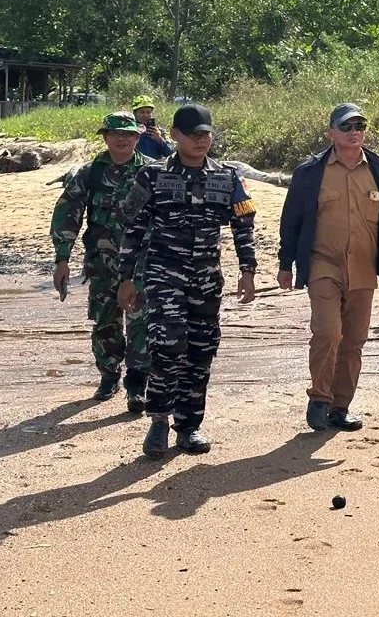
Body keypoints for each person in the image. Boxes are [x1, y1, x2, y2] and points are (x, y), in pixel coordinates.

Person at [117, 103, 257, 457]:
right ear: (175, 135)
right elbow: (131, 228)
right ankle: (159, 419)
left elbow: (243, 226)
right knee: (168, 346)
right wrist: (125, 278)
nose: (201, 141)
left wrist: (248, 271)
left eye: (206, 134)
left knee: (200, 350)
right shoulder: (152, 176)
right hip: (164, 275)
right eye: (193, 135)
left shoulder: (227, 177)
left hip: (206, 279)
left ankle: (190, 424)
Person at [277, 103, 379, 433]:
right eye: (347, 126)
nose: (354, 132)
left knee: (353, 342)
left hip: (364, 270)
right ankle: (319, 398)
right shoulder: (310, 172)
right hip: (323, 264)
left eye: (360, 126)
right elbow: (291, 220)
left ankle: (340, 407)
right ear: (331, 133)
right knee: (327, 332)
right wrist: (285, 263)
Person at [49, 111, 152, 410]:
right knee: (105, 322)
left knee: (140, 323)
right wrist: (62, 259)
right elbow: (67, 214)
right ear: (105, 136)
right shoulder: (89, 173)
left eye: (129, 134)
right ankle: (109, 376)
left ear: (137, 137)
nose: (122, 139)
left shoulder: (152, 171)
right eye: (116, 133)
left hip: (142, 265)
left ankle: (137, 383)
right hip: (103, 265)